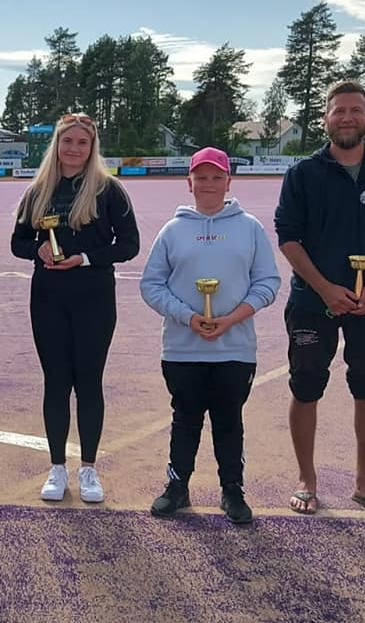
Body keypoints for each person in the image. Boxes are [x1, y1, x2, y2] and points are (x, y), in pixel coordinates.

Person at [273, 80, 365, 517]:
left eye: (356, 110)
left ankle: (364, 483)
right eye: (339, 110)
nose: (347, 118)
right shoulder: (303, 174)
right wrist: (324, 288)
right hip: (312, 301)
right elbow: (288, 237)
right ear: (326, 118)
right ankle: (307, 479)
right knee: (305, 388)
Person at [141, 147, 279, 524]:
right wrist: (187, 317)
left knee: (228, 420)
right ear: (189, 183)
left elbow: (268, 282)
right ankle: (177, 487)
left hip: (235, 348)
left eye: (217, 177)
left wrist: (232, 318)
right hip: (182, 348)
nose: (209, 184)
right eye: (201, 177)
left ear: (228, 182)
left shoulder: (249, 227)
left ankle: (232, 490)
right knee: (185, 419)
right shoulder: (173, 231)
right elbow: (151, 285)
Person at [10, 113, 139, 503]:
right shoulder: (38, 191)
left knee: (89, 382)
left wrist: (84, 258)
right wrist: (38, 249)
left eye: (82, 142)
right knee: (55, 382)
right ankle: (57, 468)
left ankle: (88, 469)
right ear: (57, 145)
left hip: (93, 297)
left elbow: (129, 245)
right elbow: (18, 242)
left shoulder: (109, 190)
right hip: (48, 297)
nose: (74, 149)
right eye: (68, 141)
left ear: (92, 147)